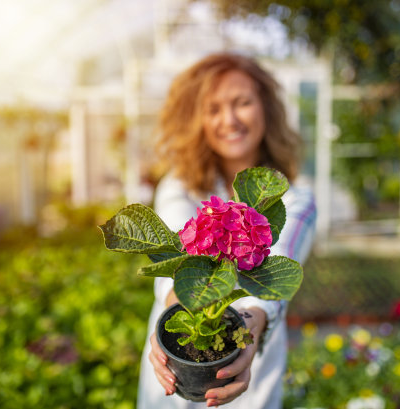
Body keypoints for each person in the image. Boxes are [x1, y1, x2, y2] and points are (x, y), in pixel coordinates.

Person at [137, 52, 316, 409]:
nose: (229, 119)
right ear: (197, 120)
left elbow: (276, 278)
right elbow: (175, 258)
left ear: (265, 108)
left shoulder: (294, 198)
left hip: (251, 373)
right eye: (213, 108)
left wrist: (251, 323)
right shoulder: (181, 186)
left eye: (242, 103)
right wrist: (177, 309)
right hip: (173, 374)